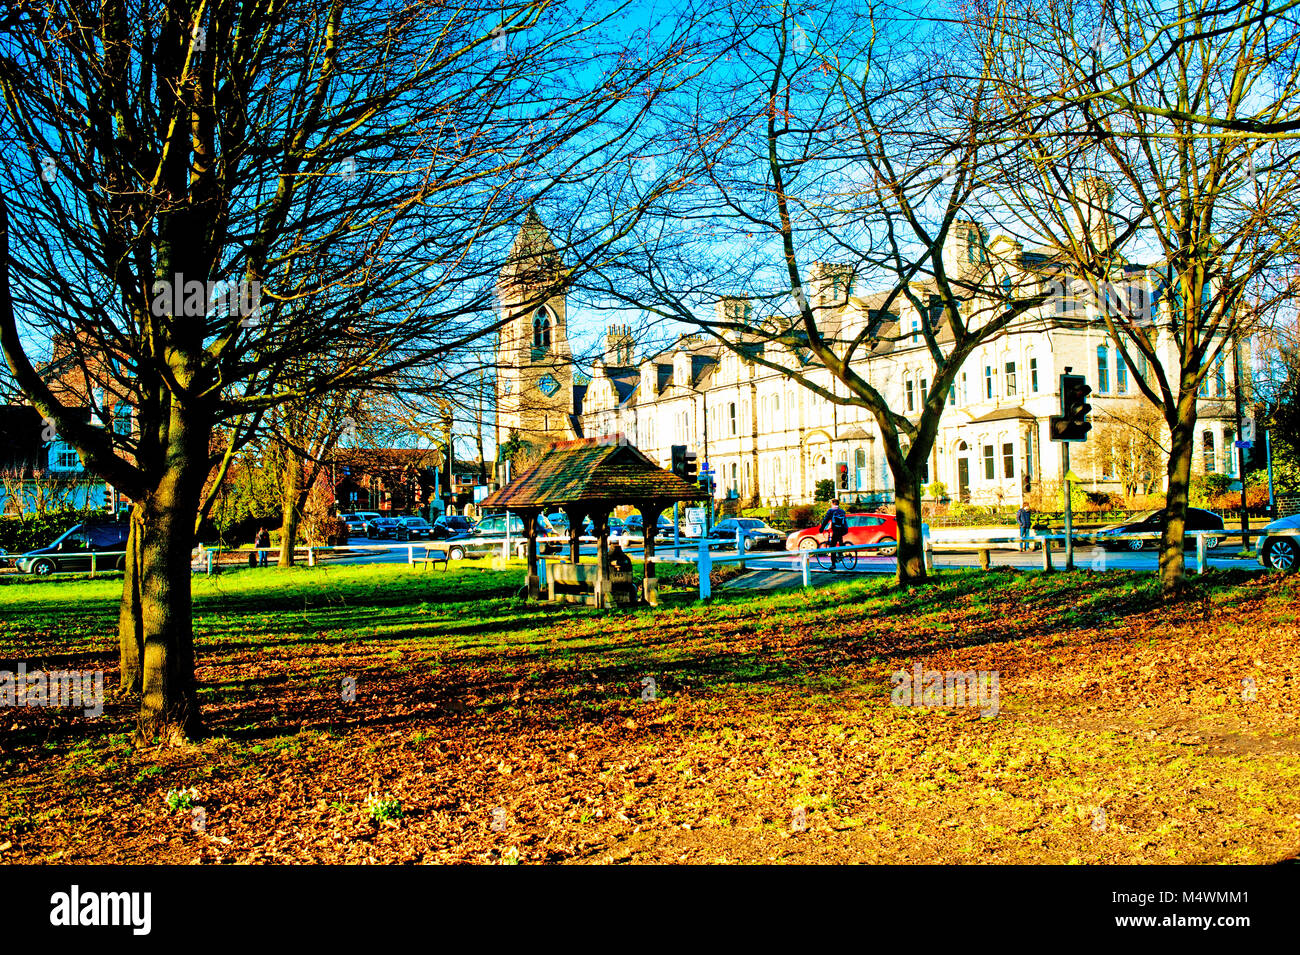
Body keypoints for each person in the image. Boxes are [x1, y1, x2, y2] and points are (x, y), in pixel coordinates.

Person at [819, 498, 849, 568]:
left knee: (832, 546)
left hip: (836, 530)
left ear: (832, 504)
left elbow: (826, 520)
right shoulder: (842, 511)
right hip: (844, 529)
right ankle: (841, 552)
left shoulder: (831, 511)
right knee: (839, 539)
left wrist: (821, 529)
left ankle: (833, 564)